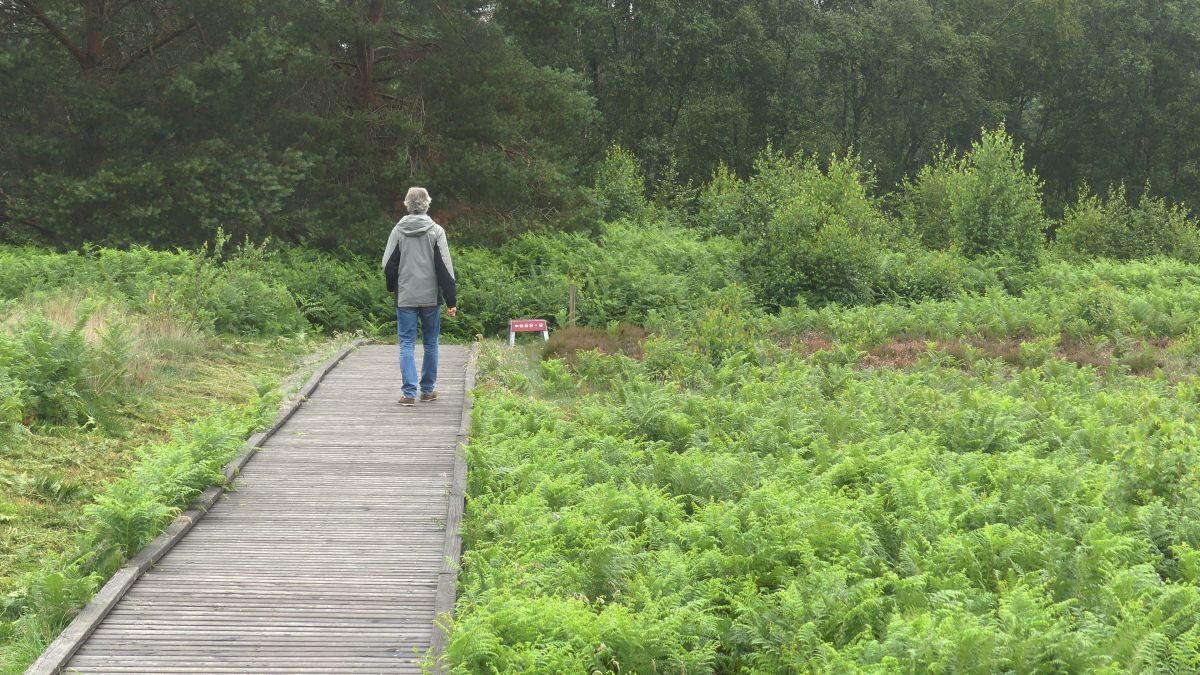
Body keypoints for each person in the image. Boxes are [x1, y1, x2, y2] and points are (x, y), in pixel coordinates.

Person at [382, 187, 457, 406]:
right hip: (430, 297)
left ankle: (408, 393)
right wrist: (451, 300)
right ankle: (427, 390)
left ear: (407, 204)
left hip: (405, 295)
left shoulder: (398, 230)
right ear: (427, 204)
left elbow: (388, 265)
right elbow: (445, 267)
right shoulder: (436, 231)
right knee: (431, 343)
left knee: (406, 343)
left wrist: (392, 286)